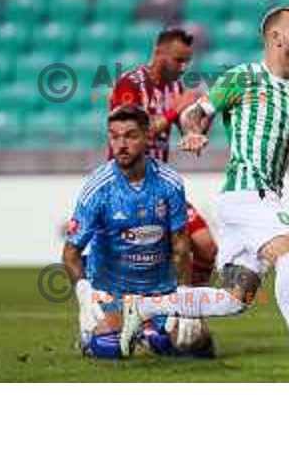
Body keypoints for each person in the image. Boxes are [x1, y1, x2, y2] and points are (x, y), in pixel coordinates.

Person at [178, 6, 289, 369]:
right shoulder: (243, 78)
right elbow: (193, 113)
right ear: (277, 38)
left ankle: (142, 306)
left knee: (234, 299)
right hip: (248, 193)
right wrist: (195, 133)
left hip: (256, 199)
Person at [62, 105, 244, 360]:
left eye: (130, 136)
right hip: (111, 288)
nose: (121, 144)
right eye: (115, 136)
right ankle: (95, 336)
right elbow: (71, 252)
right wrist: (84, 294)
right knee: (110, 348)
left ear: (147, 137)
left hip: (159, 287)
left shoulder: (169, 183)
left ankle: (149, 331)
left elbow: (181, 246)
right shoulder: (98, 187)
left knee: (193, 342)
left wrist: (184, 296)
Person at [110, 27, 216, 287]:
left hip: (161, 185)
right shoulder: (130, 84)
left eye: (187, 61)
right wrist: (173, 112)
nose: (183, 67)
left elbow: (188, 130)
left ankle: (191, 314)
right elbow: (128, 137)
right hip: (129, 186)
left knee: (206, 247)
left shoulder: (176, 88)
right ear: (159, 53)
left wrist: (204, 119)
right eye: (178, 60)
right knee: (151, 262)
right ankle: (148, 322)